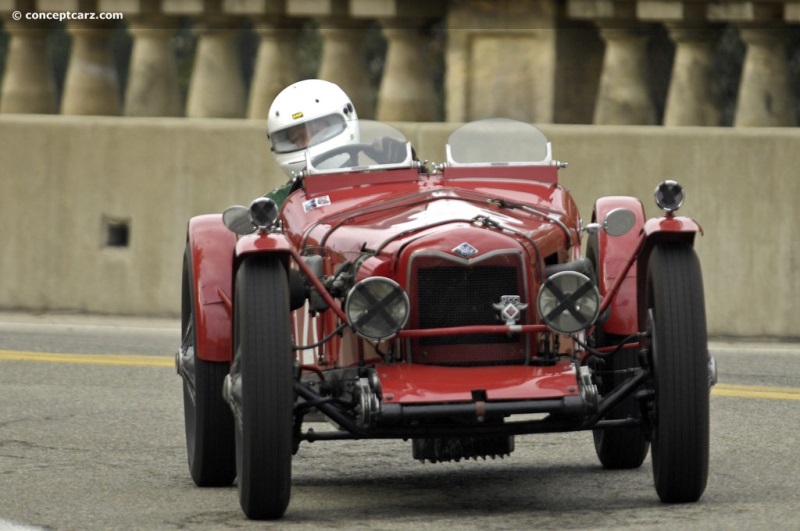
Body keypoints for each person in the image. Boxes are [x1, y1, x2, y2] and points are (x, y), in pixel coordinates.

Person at [264, 79, 360, 206]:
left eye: (318, 132)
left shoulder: (377, 185)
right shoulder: (274, 205)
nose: (308, 142)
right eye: (297, 138)